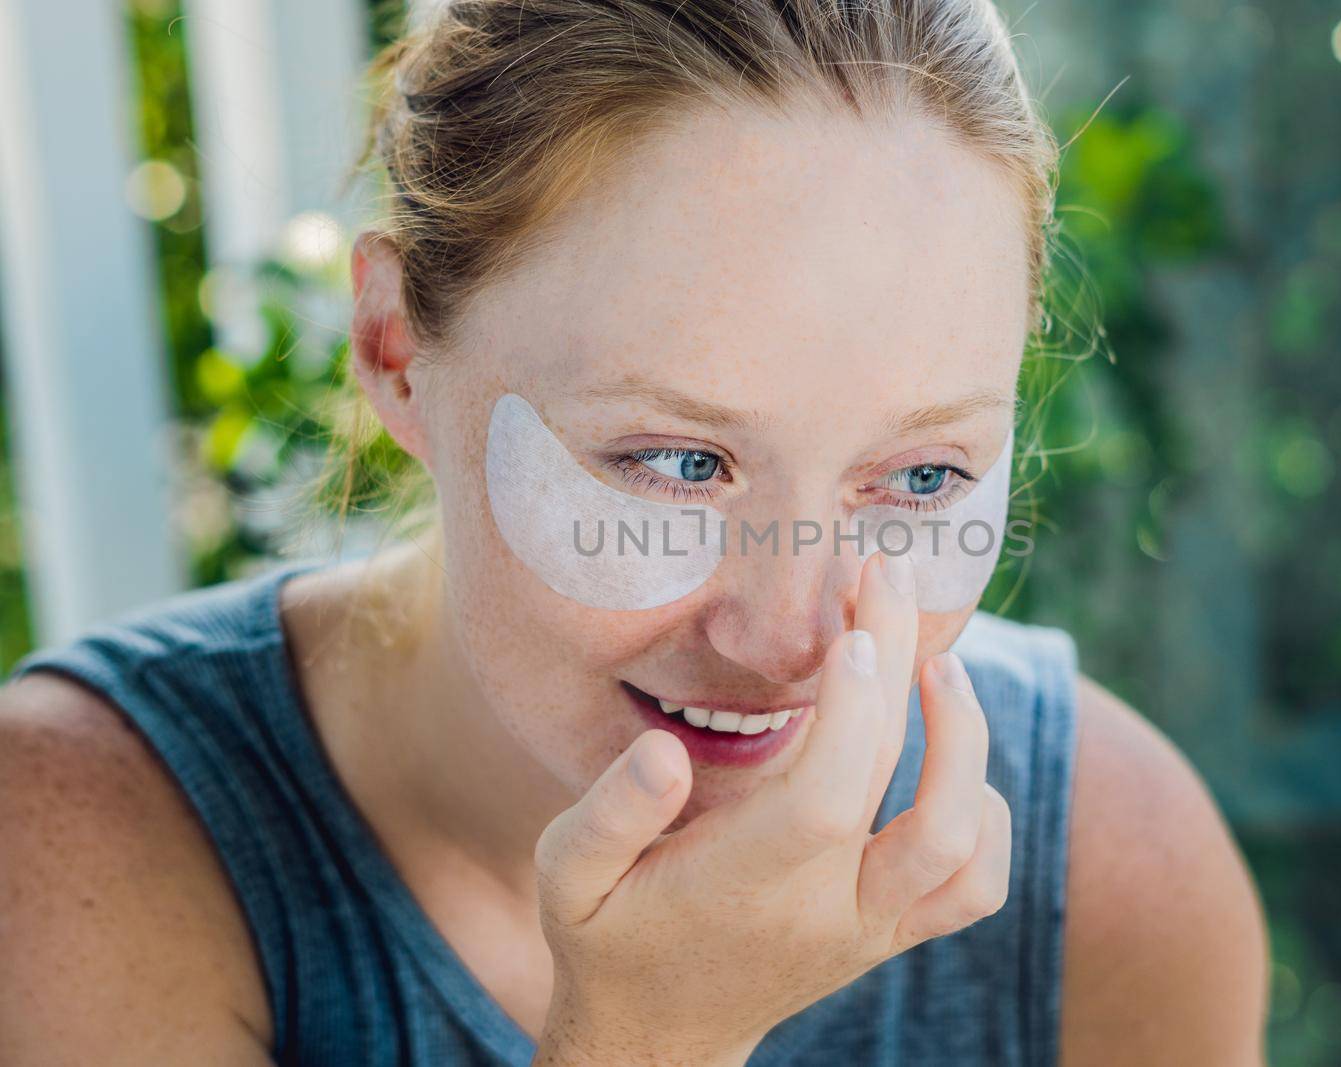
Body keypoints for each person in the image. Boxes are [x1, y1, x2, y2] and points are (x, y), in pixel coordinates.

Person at [0, 0, 1268, 1063]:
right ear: (396, 349)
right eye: (678, 463)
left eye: (920, 478)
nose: (788, 638)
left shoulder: (1111, 867)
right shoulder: (76, 853)